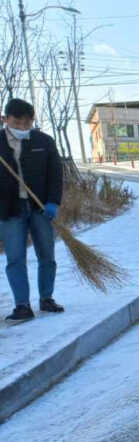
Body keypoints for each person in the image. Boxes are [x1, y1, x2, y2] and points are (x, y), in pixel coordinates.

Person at [0, 99, 63, 324]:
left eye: (28, 123)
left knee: (47, 255)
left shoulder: (44, 141)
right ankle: (22, 305)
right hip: (9, 210)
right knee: (15, 258)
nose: (23, 127)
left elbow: (56, 174)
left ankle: (46, 298)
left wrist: (54, 202)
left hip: (40, 208)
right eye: (18, 122)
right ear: (5, 119)